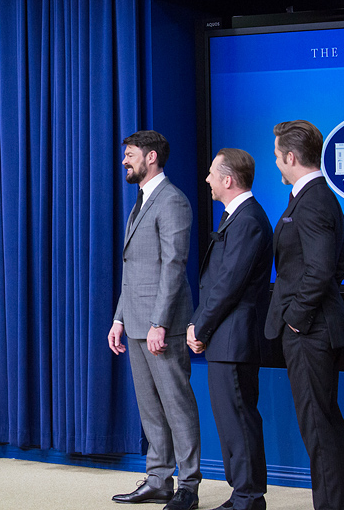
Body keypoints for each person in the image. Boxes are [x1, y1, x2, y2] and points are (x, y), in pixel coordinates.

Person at [108, 130, 201, 510]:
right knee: (149, 407)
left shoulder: (172, 201)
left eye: (130, 155)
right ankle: (159, 479)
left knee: (177, 404)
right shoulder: (142, 201)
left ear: (151, 157)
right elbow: (135, 270)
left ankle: (189, 486)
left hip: (162, 326)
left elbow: (173, 267)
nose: (125, 161)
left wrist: (159, 323)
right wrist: (119, 319)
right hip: (135, 323)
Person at [266, 120, 344, 510]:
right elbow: (336, 268)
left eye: (277, 158)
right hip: (313, 329)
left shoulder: (314, 199)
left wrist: (296, 318)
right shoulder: (315, 196)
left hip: (310, 333)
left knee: (320, 430)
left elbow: (322, 270)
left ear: (290, 156)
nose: (277, 166)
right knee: (322, 427)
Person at [187, 149, 272, 510]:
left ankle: (249, 498)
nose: (206, 179)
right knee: (230, 421)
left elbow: (228, 285)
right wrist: (198, 323)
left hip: (234, 338)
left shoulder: (249, 220)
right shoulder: (235, 217)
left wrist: (199, 326)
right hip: (225, 338)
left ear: (228, 179)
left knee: (239, 419)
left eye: (211, 174)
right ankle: (242, 494)